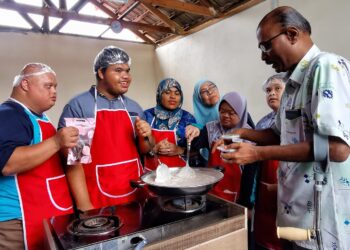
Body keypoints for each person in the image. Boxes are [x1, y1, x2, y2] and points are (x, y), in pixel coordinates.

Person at [217, 6, 350, 250]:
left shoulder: (326, 68)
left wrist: (257, 153)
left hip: (323, 221)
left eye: (265, 46)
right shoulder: (291, 85)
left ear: (291, 34)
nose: (263, 56)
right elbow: (278, 135)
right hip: (294, 212)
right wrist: (242, 134)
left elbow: (337, 148)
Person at [58, 46, 154, 212]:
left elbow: (145, 149)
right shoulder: (81, 106)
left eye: (127, 71)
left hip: (135, 192)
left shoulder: (133, 107)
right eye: (118, 70)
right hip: (97, 196)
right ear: (101, 73)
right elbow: (76, 161)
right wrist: (84, 206)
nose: (126, 76)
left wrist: (146, 136)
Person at [0, 63, 78, 250]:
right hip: (18, 221)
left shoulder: (40, 117)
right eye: (48, 86)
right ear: (25, 84)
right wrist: (56, 142)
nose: (54, 92)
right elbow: (7, 163)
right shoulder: (9, 114)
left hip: (46, 210)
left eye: (55, 87)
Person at [189, 92, 258, 208]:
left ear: (241, 114)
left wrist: (245, 203)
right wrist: (194, 130)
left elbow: (250, 174)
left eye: (231, 113)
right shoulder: (210, 128)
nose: (225, 115)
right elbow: (195, 147)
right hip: (213, 189)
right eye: (222, 111)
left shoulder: (249, 136)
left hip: (238, 193)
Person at [254, 74, 286, 250]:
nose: (272, 93)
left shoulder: (297, 120)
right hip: (265, 181)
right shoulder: (262, 123)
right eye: (268, 90)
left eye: (277, 89)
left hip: (289, 183)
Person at [144, 78, 196, 171]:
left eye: (177, 93)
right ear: (159, 95)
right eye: (167, 92)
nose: (173, 96)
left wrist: (179, 150)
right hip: (152, 174)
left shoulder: (188, 118)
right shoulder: (147, 116)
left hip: (181, 175)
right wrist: (154, 149)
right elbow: (135, 148)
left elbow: (198, 151)